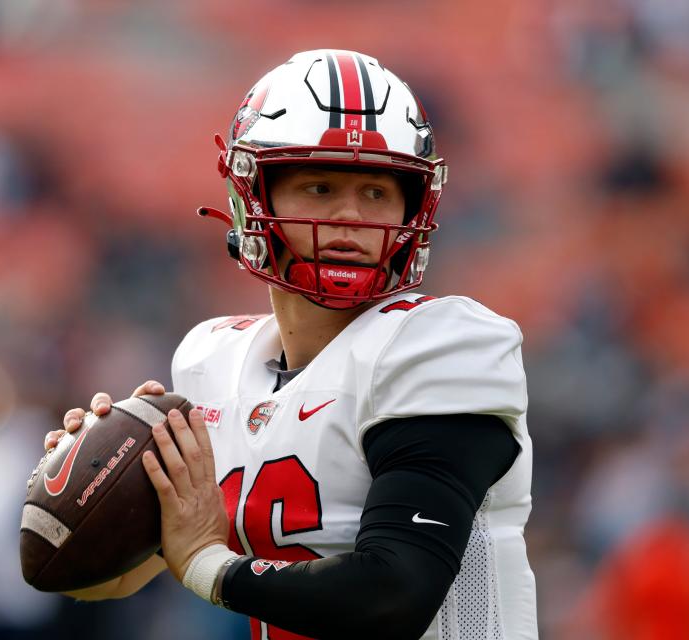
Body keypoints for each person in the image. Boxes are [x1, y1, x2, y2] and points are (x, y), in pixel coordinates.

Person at [43, 49, 538, 639]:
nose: (351, 215)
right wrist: (78, 501)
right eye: (320, 186)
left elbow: (395, 592)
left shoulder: (441, 347)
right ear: (253, 198)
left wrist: (208, 566)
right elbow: (108, 578)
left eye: (377, 192)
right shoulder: (212, 362)